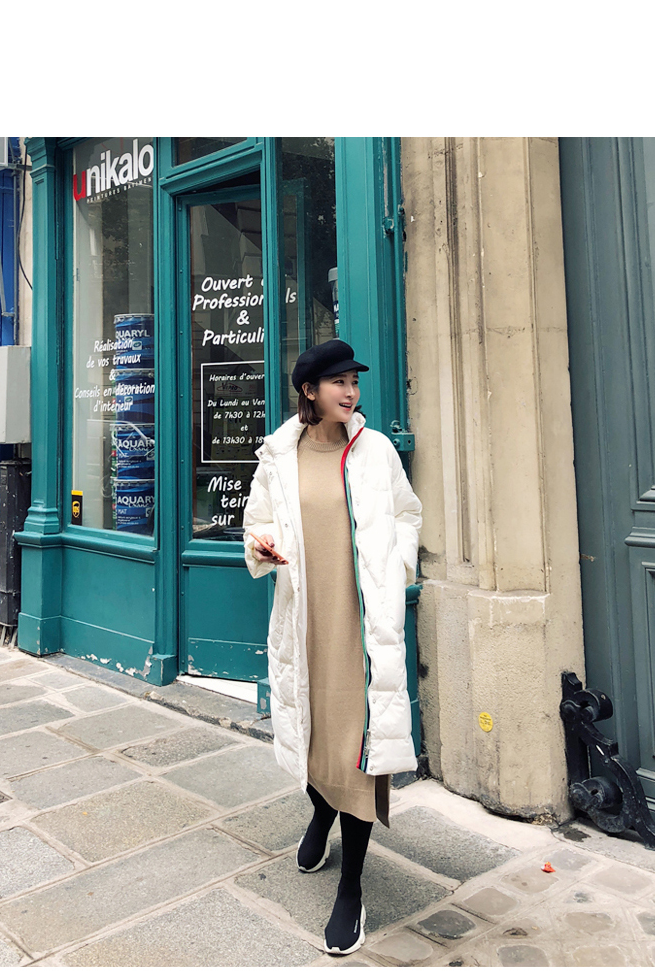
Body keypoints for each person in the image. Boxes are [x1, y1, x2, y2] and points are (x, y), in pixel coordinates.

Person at [243, 339, 422, 956]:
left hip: (361, 625)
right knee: (314, 735)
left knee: (358, 749)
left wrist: (394, 567)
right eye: (338, 382)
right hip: (306, 621)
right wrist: (262, 547)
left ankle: (351, 887)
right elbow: (257, 523)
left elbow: (407, 515)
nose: (350, 392)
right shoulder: (278, 455)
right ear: (309, 390)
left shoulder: (375, 451)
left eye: (354, 381)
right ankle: (321, 813)